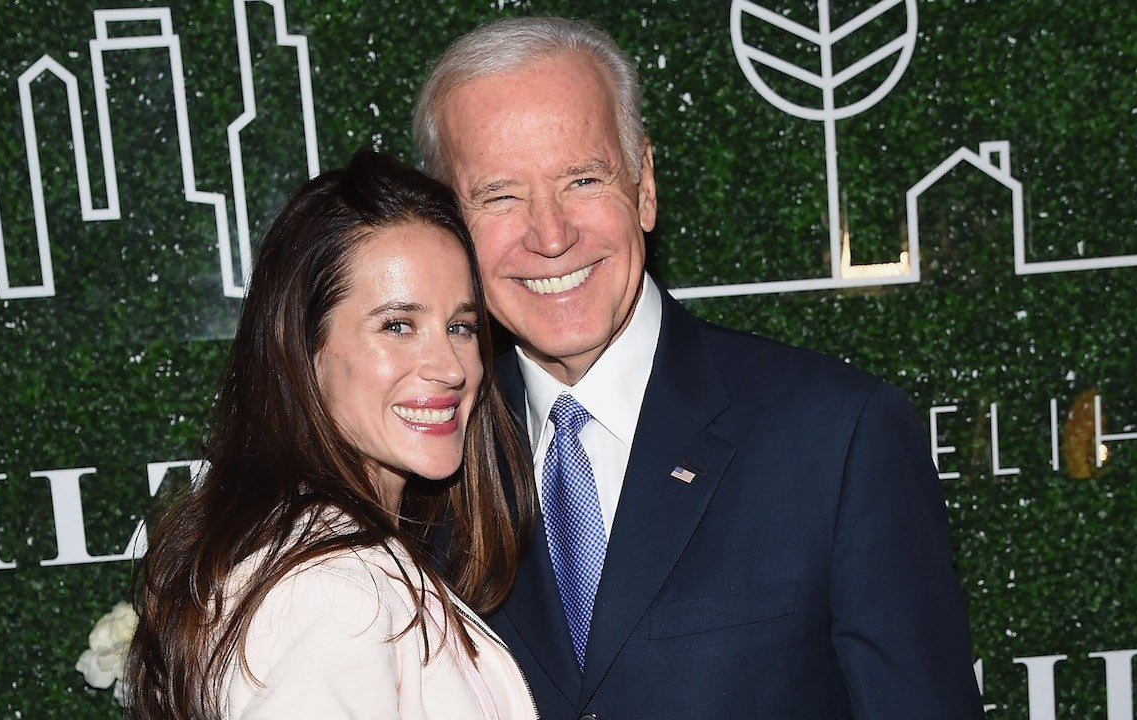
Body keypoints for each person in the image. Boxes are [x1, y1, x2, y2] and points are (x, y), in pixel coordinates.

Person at [412, 16, 985, 720]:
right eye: (500, 196)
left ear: (645, 185)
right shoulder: (425, 470)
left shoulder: (835, 439)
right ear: (446, 225)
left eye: (583, 179)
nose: (551, 235)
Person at [124, 150, 538, 719]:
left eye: (460, 326)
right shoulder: (334, 596)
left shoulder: (314, 558)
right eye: (398, 325)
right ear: (305, 349)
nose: (451, 367)